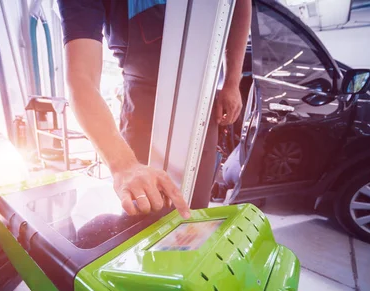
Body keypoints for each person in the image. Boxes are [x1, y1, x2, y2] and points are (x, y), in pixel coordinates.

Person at [57, 0, 251, 218]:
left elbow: (240, 3)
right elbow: (81, 79)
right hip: (142, 101)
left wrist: (233, 82)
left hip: (203, 100)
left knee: (193, 212)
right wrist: (124, 164)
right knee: (141, 213)